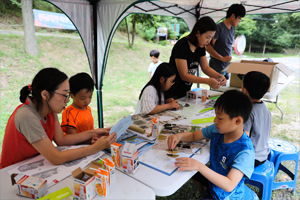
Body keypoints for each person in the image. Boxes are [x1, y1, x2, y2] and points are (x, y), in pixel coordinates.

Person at [0, 68, 117, 169]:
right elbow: (56, 158)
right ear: (45, 94)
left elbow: (61, 140)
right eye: (64, 95)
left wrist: (96, 132)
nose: (67, 100)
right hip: (13, 172)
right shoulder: (27, 115)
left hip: (36, 164)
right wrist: (96, 148)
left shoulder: (49, 109)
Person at [168, 90, 254, 199]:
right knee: (193, 172)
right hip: (214, 184)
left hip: (227, 196)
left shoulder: (245, 152)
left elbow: (229, 185)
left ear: (237, 121)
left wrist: (199, 166)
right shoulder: (217, 130)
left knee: (197, 169)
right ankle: (206, 193)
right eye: (216, 116)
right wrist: (179, 136)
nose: (215, 120)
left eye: (220, 118)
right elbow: (194, 136)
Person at [168, 16, 227, 99]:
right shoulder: (182, 46)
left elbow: (206, 68)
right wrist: (207, 81)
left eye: (211, 38)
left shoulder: (200, 47)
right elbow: (184, 75)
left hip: (185, 92)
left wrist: (219, 76)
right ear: (197, 33)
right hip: (172, 93)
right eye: (207, 37)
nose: (209, 41)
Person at [61, 72, 106, 144]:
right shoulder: (69, 112)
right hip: (76, 147)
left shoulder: (88, 109)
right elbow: (73, 137)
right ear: (71, 95)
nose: (87, 101)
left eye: (90, 96)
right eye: (82, 98)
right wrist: (90, 141)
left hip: (90, 143)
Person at [206, 4, 246, 80]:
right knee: (216, 90)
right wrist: (221, 58)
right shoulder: (218, 28)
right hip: (217, 67)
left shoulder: (233, 28)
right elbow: (208, 48)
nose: (240, 21)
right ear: (233, 16)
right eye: (239, 18)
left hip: (227, 66)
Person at [242, 71, 271, 167]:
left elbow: (244, 138)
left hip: (251, 158)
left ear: (245, 90)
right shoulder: (264, 107)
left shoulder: (248, 111)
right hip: (264, 154)